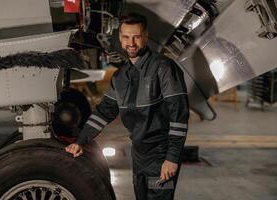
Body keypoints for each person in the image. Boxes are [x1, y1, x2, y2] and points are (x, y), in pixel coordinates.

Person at [65, 12, 189, 200]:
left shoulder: (164, 68)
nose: (131, 43)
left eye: (136, 37)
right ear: (120, 39)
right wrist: (80, 141)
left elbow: (178, 116)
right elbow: (104, 112)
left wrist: (171, 159)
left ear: (145, 37)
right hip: (139, 155)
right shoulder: (121, 76)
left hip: (161, 154)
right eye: (126, 37)